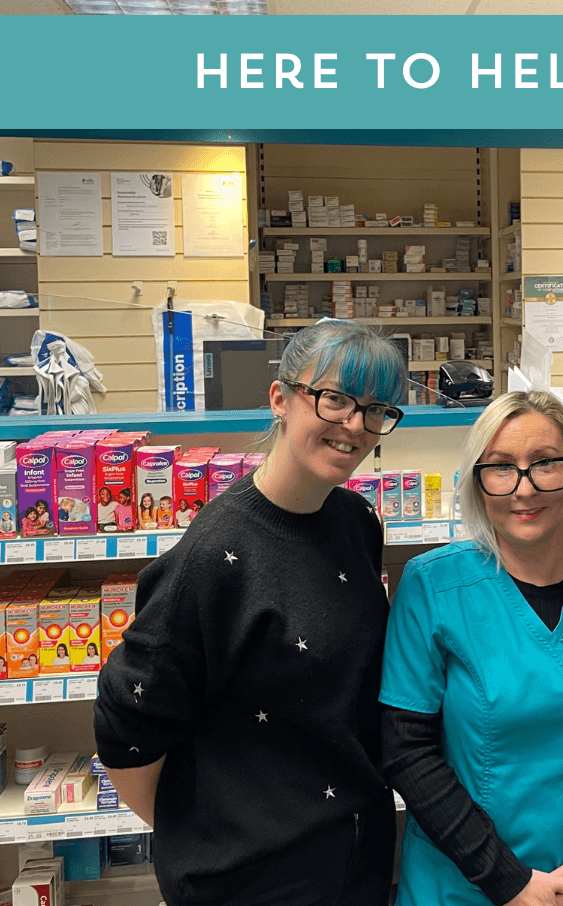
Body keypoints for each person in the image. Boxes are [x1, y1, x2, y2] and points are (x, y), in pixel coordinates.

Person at [95, 318, 408, 906]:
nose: (355, 427)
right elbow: (126, 720)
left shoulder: (357, 523)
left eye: (375, 410)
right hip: (248, 880)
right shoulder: (218, 552)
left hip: (354, 861)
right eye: (335, 399)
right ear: (280, 400)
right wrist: (207, 827)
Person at [380, 390, 563, 906]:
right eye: (501, 468)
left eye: (546, 464)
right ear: (477, 481)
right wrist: (508, 880)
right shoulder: (432, 587)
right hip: (463, 884)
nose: (524, 489)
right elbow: (406, 752)